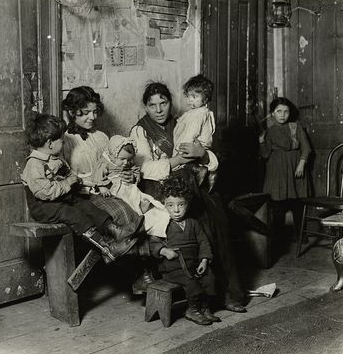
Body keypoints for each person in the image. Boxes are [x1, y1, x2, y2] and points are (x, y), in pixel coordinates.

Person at [130, 81, 247, 312]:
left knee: (217, 223)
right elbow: (144, 169)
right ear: (146, 107)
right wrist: (178, 161)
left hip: (191, 186)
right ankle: (202, 296)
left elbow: (213, 160)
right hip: (160, 191)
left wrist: (203, 154)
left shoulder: (187, 120)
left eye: (163, 103)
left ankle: (229, 293)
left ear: (171, 102)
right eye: (152, 105)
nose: (159, 109)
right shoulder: (140, 130)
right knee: (193, 223)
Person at [61, 86, 154, 292]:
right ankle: (140, 273)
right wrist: (92, 184)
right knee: (123, 212)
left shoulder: (102, 137)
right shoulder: (65, 140)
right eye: (85, 113)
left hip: (112, 187)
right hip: (84, 194)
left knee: (143, 209)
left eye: (95, 111)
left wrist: (129, 174)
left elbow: (118, 162)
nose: (92, 117)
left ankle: (145, 271)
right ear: (71, 111)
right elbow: (66, 176)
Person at [21, 113, 142, 264]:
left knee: (86, 205)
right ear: (50, 143)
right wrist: (68, 182)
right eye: (61, 140)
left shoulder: (56, 159)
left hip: (59, 199)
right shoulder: (34, 164)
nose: (64, 143)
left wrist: (89, 183)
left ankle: (115, 230)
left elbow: (73, 179)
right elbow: (46, 192)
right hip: (43, 206)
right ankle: (106, 248)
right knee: (73, 213)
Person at [149, 174, 219, 325]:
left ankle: (204, 308)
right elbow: (152, 242)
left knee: (209, 278)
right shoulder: (162, 224)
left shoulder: (193, 223)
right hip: (173, 268)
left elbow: (203, 242)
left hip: (193, 264)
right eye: (171, 205)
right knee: (191, 283)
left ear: (188, 203)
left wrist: (204, 260)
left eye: (181, 205)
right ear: (164, 204)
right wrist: (163, 250)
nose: (176, 210)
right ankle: (192, 310)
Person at [92, 135, 170, 239]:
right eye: (122, 159)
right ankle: (139, 211)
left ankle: (144, 205)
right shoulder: (105, 163)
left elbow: (135, 168)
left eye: (128, 159)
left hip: (129, 185)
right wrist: (102, 186)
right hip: (116, 188)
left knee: (136, 194)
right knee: (127, 199)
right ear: (112, 155)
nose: (125, 163)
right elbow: (97, 175)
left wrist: (135, 176)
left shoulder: (127, 163)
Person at [259, 97, 311, 240]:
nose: (282, 115)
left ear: (290, 113)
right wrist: (262, 142)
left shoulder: (295, 127)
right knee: (278, 204)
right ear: (272, 113)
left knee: (298, 203)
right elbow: (265, 155)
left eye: (286, 112)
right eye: (279, 111)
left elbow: (306, 149)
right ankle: (279, 238)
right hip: (277, 170)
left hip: (295, 167)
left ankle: (301, 235)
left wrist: (301, 164)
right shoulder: (269, 131)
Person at [173, 74, 217, 188]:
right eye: (188, 96)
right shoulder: (204, 112)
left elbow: (191, 132)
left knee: (183, 165)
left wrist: (180, 149)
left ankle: (199, 170)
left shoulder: (197, 115)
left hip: (192, 145)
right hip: (202, 146)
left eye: (194, 97)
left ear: (205, 98)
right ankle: (209, 172)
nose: (189, 101)